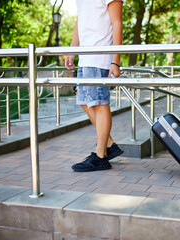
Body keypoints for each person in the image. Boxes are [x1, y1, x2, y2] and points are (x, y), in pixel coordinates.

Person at [65, 0, 124, 172]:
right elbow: (80, 20)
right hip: (86, 56)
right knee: (84, 101)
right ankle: (109, 145)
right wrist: (72, 49)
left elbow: (117, 23)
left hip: (100, 56)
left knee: (99, 104)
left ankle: (100, 157)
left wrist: (116, 60)